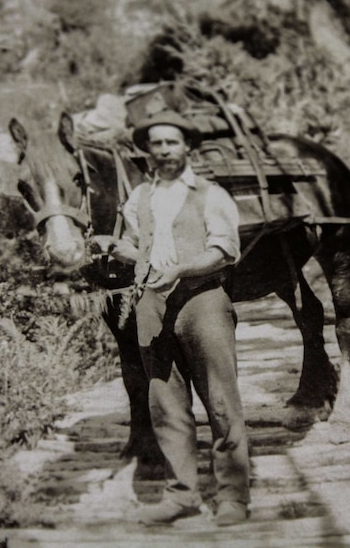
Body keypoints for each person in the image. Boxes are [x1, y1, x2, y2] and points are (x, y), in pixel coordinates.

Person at [102, 110, 251, 527]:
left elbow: (224, 251)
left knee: (221, 402)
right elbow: (139, 248)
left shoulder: (211, 194)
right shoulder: (139, 198)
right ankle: (181, 494)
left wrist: (181, 269)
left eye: (171, 142)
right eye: (156, 143)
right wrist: (119, 250)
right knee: (166, 405)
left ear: (187, 147)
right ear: (146, 151)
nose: (164, 150)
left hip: (203, 303)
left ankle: (232, 497)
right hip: (152, 306)